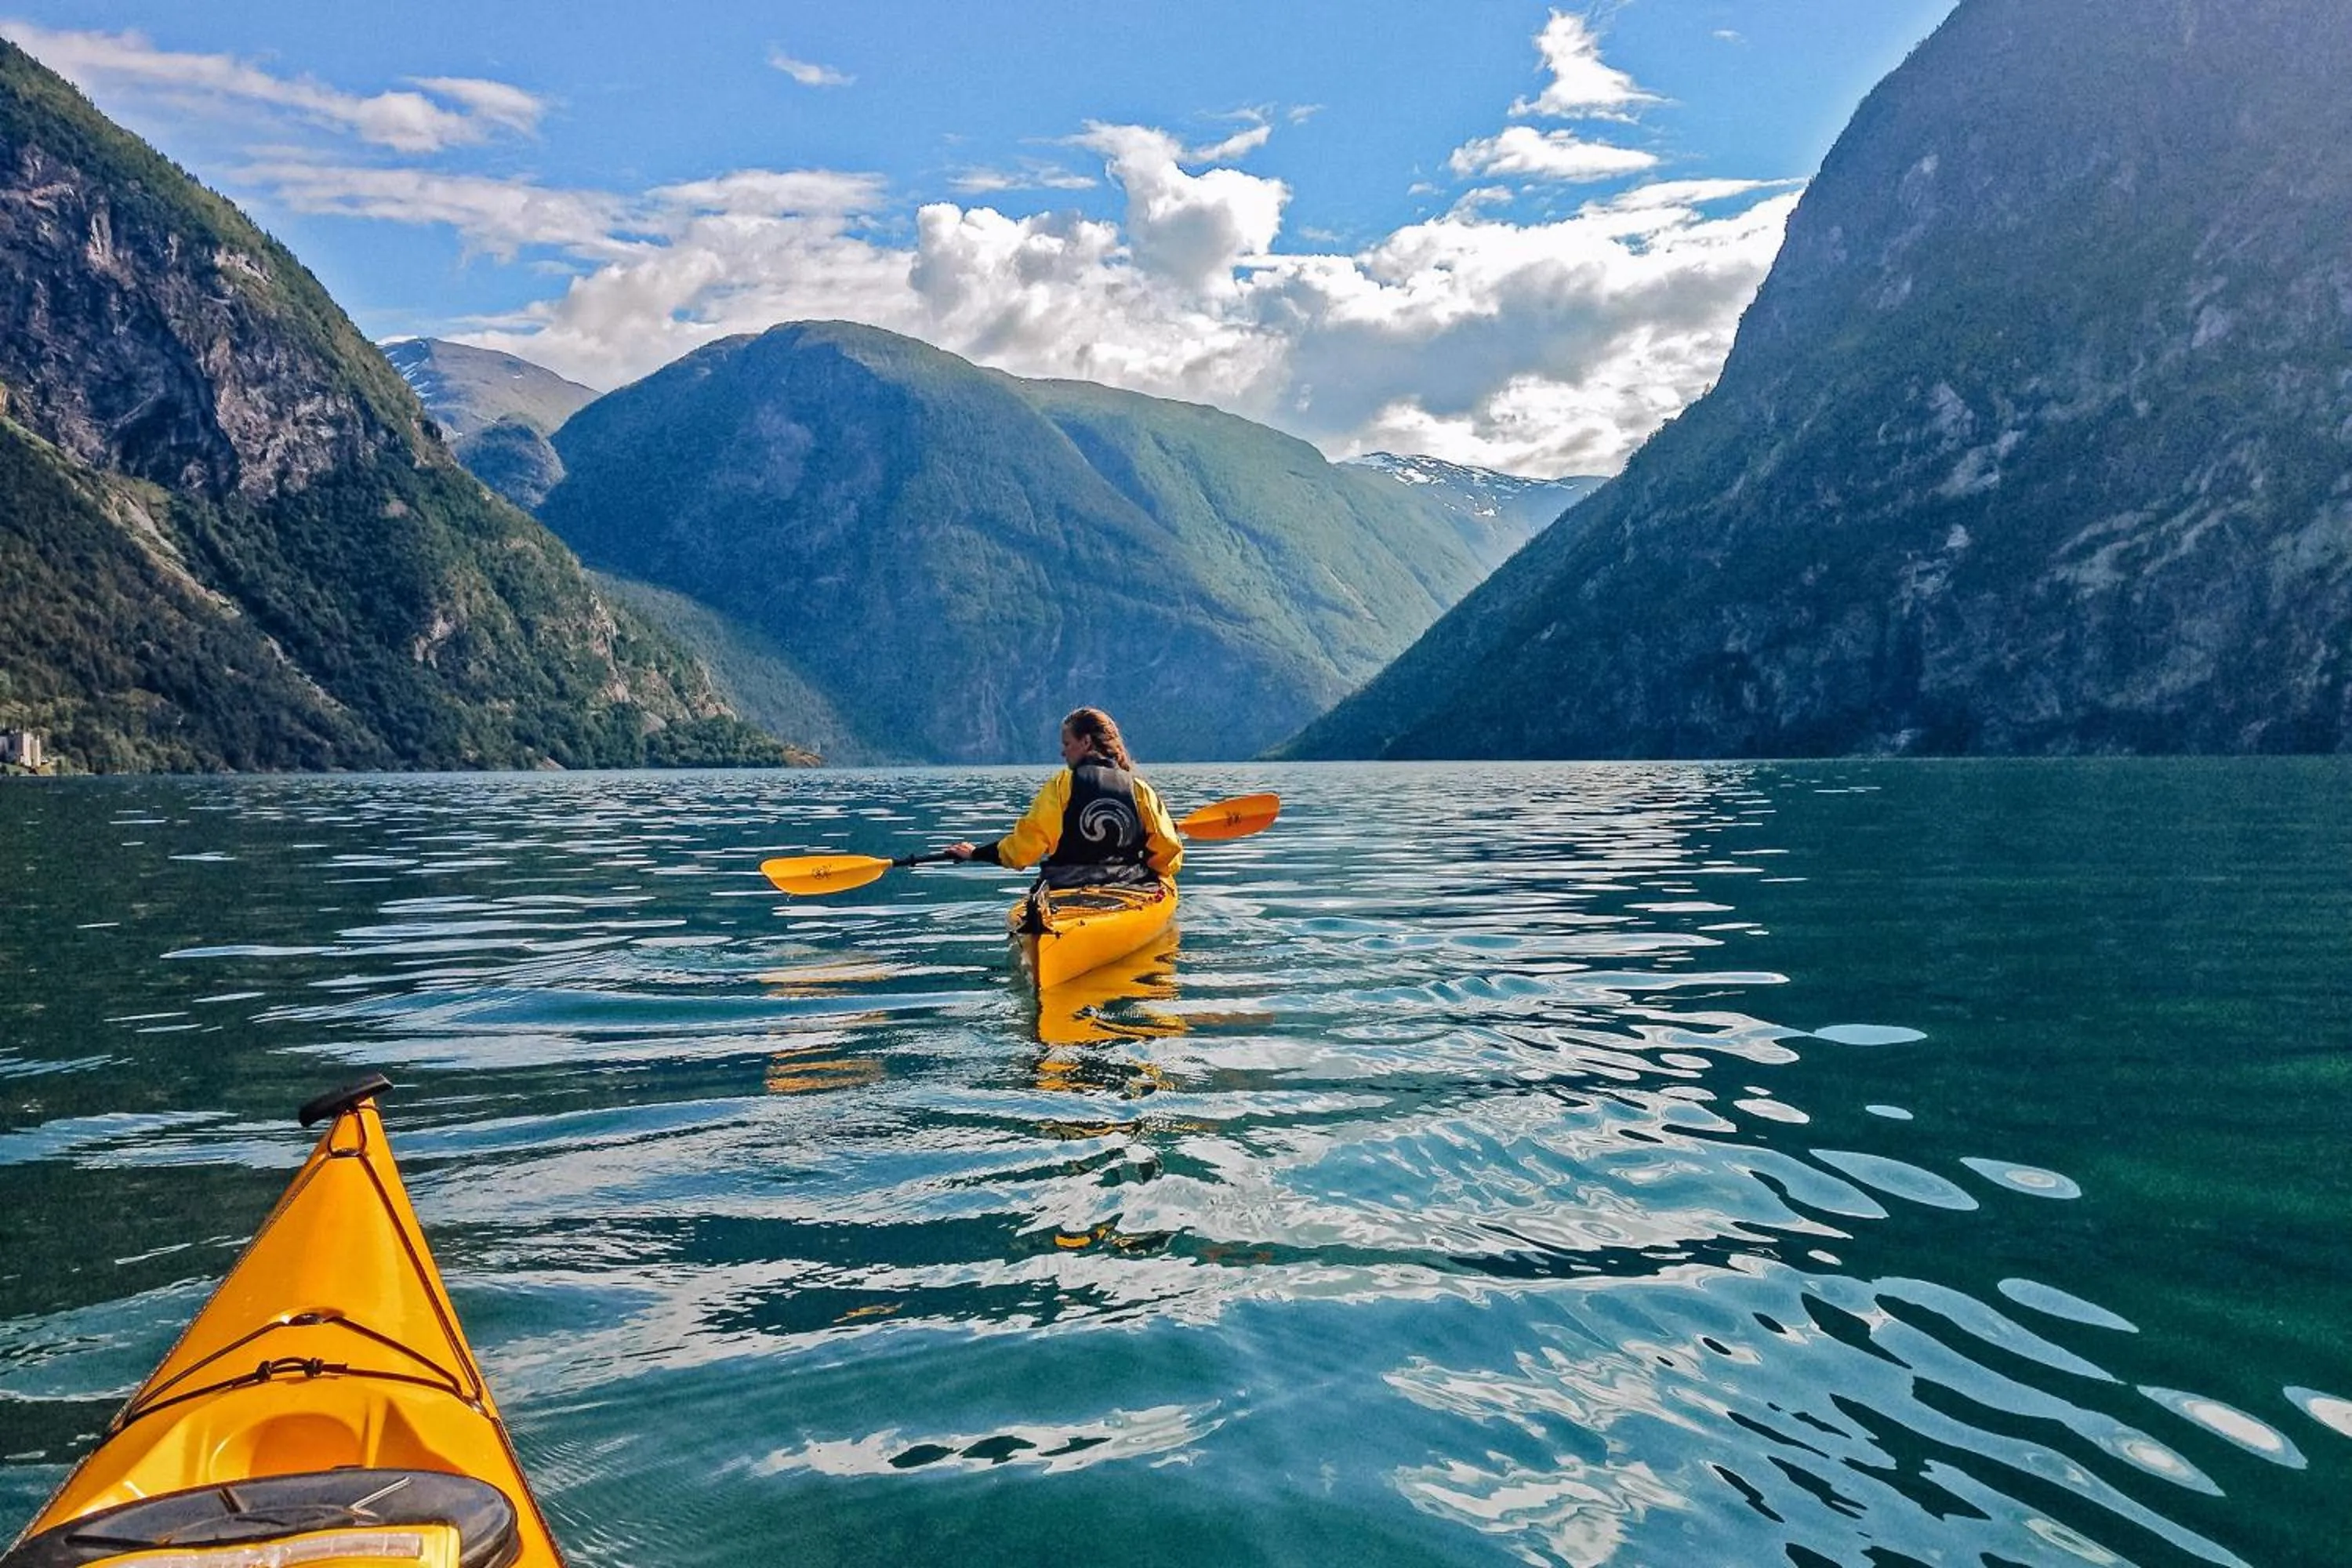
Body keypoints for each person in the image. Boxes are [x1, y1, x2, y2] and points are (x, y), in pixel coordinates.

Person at [945, 707, 1184, 891]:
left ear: (1086, 742)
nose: (1063, 752)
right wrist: (1153, 870)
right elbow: (1168, 850)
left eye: (1067, 744)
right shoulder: (1140, 790)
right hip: (1126, 890)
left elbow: (1023, 850)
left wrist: (977, 853)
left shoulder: (1062, 786)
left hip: (1064, 892)